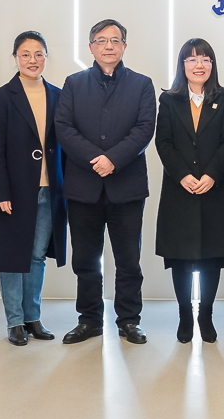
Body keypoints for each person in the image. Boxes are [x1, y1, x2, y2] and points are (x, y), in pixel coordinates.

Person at [55, 19, 156, 346]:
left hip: (127, 187)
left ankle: (129, 321)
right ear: (91, 47)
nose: (108, 46)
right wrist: (94, 159)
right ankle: (89, 320)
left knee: (128, 261)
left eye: (115, 40)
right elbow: (63, 127)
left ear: (124, 46)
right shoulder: (74, 83)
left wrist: (113, 159)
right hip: (83, 187)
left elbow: (144, 128)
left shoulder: (142, 84)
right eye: (101, 40)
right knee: (85, 260)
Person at [154, 38, 224, 344]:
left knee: (211, 257)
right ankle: (184, 316)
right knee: (179, 257)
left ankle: (206, 315)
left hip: (213, 189)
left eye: (205, 59)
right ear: (183, 66)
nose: (199, 65)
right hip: (179, 190)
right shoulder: (169, 100)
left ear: (212, 65)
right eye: (191, 60)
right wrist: (183, 176)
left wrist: (212, 175)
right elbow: (163, 142)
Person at [0, 31, 68, 346]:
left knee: (36, 257)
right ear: (15, 58)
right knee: (12, 256)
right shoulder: (2, 98)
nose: (32, 60)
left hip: (50, 190)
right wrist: (1, 192)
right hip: (15, 191)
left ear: (46, 57)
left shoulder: (58, 95)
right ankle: (15, 322)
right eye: (25, 54)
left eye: (38, 54)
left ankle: (33, 318)